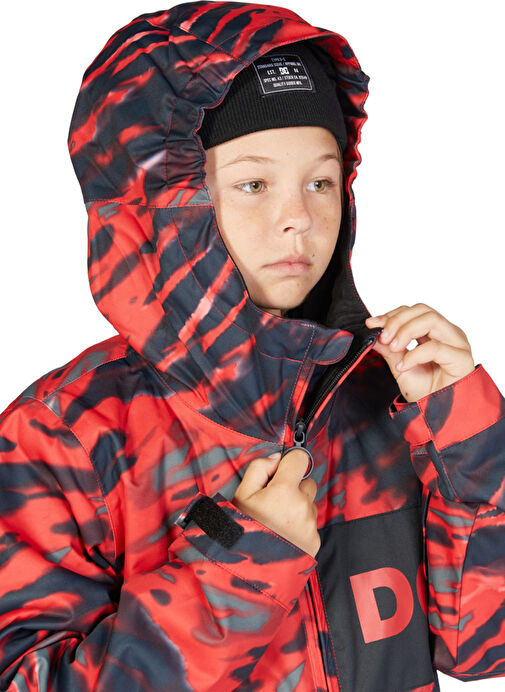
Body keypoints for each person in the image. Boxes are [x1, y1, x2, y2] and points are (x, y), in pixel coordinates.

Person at [0, 2, 503, 691]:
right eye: (253, 184)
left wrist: (467, 444)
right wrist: (237, 562)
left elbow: (482, 648)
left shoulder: (388, 392)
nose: (298, 216)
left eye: (320, 181)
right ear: (158, 207)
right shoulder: (65, 435)